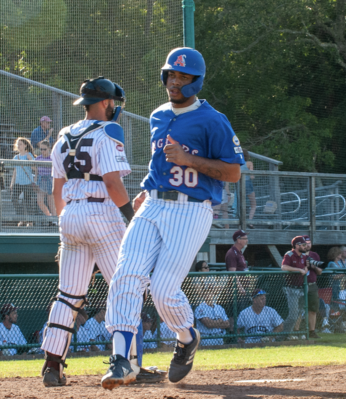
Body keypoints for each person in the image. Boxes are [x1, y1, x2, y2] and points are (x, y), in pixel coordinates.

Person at [102, 47, 244, 389]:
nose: (175, 82)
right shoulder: (158, 115)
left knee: (163, 290)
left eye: (183, 76)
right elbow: (158, 163)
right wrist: (146, 188)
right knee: (126, 275)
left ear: (197, 81)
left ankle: (187, 336)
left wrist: (189, 160)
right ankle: (122, 360)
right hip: (153, 205)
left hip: (190, 210)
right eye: (171, 75)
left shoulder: (213, 120)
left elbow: (233, 173)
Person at [40, 76, 135, 388]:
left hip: (70, 214)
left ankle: (52, 365)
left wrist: (64, 229)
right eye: (113, 102)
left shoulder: (62, 135)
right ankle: (127, 364)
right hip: (102, 213)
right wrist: (132, 220)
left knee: (68, 295)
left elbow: (57, 190)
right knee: (124, 288)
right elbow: (112, 183)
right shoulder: (109, 131)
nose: (114, 107)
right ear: (105, 102)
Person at [281, 236, 308, 338]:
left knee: (300, 313)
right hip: (292, 288)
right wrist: (298, 270)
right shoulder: (289, 254)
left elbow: (306, 266)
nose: (305, 246)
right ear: (297, 245)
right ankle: (283, 334)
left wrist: (305, 269)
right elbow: (283, 267)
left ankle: (293, 333)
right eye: (303, 245)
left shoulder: (304, 256)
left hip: (302, 288)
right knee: (293, 315)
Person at [10, 137, 36, 227]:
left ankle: (30, 221)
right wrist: (12, 183)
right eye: (18, 144)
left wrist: (30, 159)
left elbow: (34, 168)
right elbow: (15, 171)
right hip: (18, 182)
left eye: (20, 144)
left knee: (28, 201)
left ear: (25, 145)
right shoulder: (15, 157)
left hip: (27, 182)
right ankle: (22, 218)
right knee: (13, 199)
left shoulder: (29, 155)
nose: (19, 146)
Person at [303, 235, 323, 338]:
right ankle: (297, 331)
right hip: (301, 285)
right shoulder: (297, 255)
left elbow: (320, 272)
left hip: (312, 285)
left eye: (309, 243)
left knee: (313, 309)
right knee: (299, 309)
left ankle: (312, 331)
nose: (308, 245)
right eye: (305, 243)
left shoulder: (314, 255)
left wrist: (313, 267)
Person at [35, 140, 56, 218]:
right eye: (41, 149)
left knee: (51, 202)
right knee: (39, 201)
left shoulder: (52, 158)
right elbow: (36, 171)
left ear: (49, 149)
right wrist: (35, 181)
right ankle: (49, 216)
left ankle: (54, 220)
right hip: (41, 180)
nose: (42, 151)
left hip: (50, 180)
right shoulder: (38, 158)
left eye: (44, 149)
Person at [240, 149, 256, 229]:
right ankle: (250, 222)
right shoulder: (249, 163)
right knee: (253, 204)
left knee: (241, 204)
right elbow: (252, 176)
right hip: (248, 184)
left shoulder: (237, 164)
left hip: (239, 184)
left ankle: (240, 222)